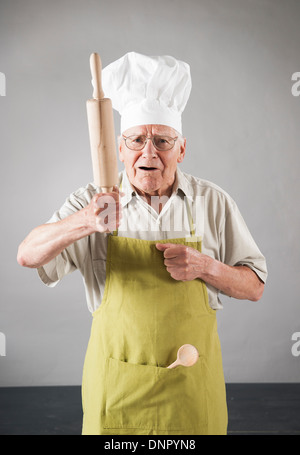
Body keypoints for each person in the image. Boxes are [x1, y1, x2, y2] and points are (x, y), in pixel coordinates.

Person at [17, 52, 267, 435]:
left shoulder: (213, 202)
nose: (148, 152)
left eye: (162, 141)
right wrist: (85, 222)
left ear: (181, 149)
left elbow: (255, 287)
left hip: (191, 389)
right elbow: (27, 254)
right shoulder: (92, 200)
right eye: (136, 140)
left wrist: (206, 267)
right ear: (120, 148)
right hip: (115, 390)